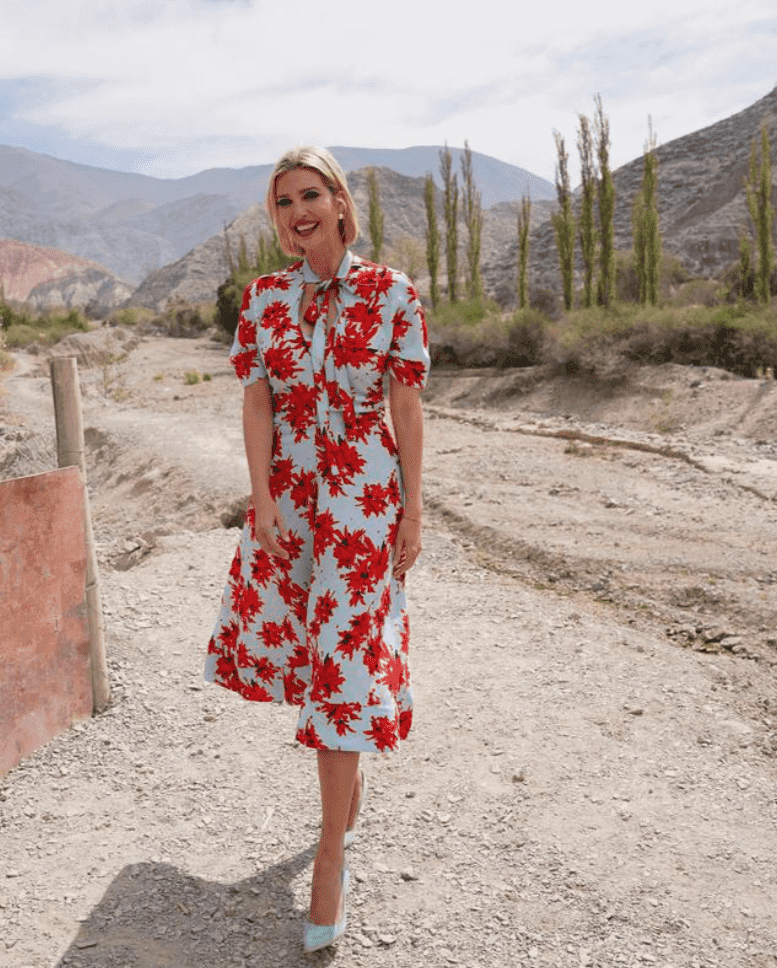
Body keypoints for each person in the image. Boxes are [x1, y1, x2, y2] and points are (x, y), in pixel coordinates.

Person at [202, 145, 428, 952]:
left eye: (310, 195)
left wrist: (411, 510)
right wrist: (261, 499)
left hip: (365, 502)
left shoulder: (391, 292)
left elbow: (406, 402)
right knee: (317, 660)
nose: (297, 212)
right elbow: (256, 404)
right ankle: (344, 810)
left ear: (339, 201)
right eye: (281, 202)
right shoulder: (263, 298)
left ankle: (330, 851)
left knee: (343, 666)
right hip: (293, 502)